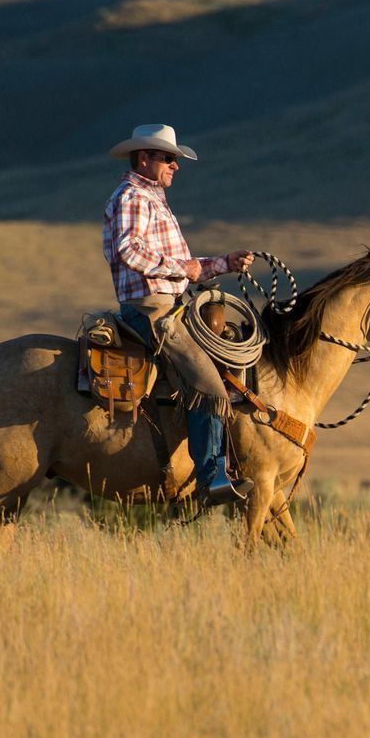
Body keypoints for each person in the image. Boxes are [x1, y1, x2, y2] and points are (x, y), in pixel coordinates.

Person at [102, 123, 256, 506]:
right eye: (169, 158)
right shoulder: (132, 197)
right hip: (150, 309)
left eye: (175, 159)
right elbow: (128, 250)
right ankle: (211, 479)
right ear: (144, 158)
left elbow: (187, 267)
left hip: (171, 304)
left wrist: (224, 263)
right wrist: (178, 268)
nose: (176, 165)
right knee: (209, 387)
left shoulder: (153, 199)